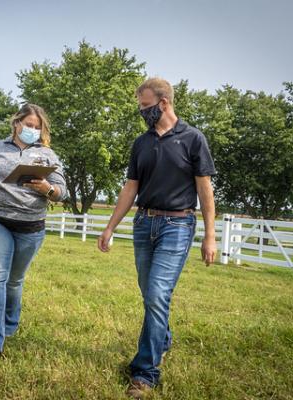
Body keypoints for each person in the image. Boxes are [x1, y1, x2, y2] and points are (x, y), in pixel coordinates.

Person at [97, 78, 217, 398]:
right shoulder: (141, 143)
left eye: (145, 107)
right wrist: (110, 227)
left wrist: (210, 236)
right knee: (150, 294)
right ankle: (162, 340)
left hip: (177, 226)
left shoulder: (193, 139)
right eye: (140, 107)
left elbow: (205, 190)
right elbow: (130, 188)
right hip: (143, 224)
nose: (142, 112)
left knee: (156, 293)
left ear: (163, 103)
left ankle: (145, 372)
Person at [0, 103, 66, 360]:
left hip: (31, 226)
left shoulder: (48, 155)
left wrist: (47, 188)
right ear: (16, 123)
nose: (32, 130)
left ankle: (8, 326)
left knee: (14, 281)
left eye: (37, 127)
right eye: (28, 125)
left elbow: (61, 192)